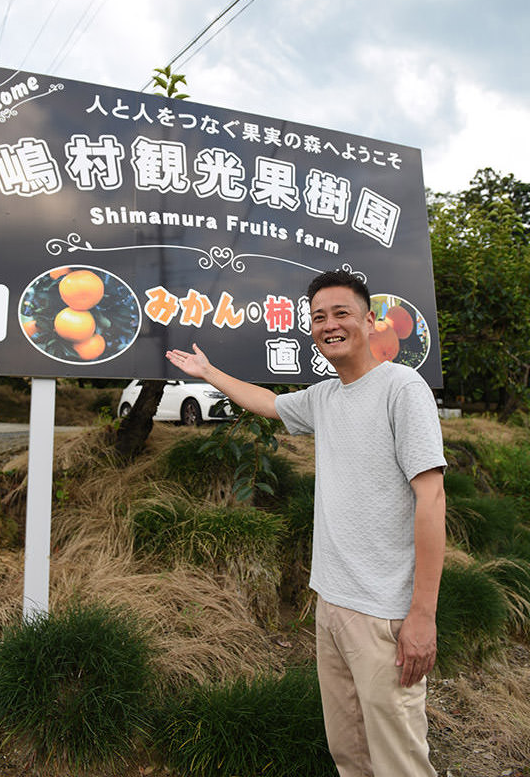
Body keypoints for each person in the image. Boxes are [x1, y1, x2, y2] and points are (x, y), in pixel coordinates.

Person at [166, 269, 446, 777]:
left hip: (385, 613)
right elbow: (267, 403)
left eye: (341, 313)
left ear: (370, 320)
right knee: (349, 751)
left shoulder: (402, 388)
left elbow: (431, 499)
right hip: (332, 603)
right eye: (319, 317)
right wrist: (209, 373)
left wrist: (422, 616)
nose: (329, 325)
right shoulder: (325, 396)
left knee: (399, 760)